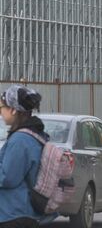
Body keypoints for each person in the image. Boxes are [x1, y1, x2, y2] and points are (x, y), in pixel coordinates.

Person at [0, 85, 45, 228]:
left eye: (2, 107)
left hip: (13, 213)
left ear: (13, 110)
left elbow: (9, 178)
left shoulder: (20, 140)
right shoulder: (34, 134)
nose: (0, 112)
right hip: (23, 212)